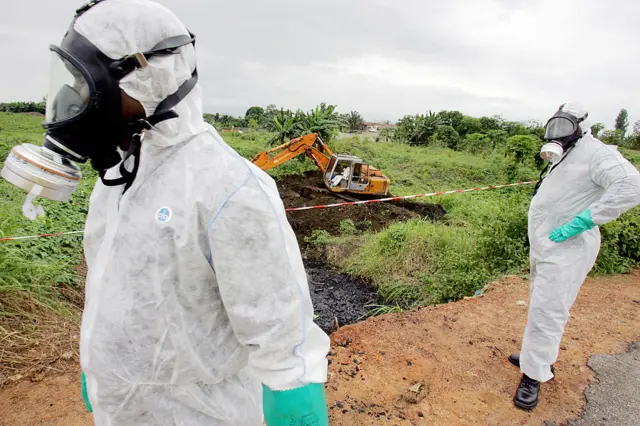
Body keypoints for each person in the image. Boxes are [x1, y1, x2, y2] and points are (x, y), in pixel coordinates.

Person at [43, 1, 331, 424]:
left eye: (87, 83)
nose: (76, 99)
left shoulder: (228, 187)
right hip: (124, 406)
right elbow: (111, 288)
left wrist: (293, 392)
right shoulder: (120, 179)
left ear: (147, 78)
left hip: (205, 413)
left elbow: (278, 322)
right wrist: (100, 367)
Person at [510, 102, 640, 410]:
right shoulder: (567, 153)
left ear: (581, 126)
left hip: (568, 247)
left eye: (564, 127)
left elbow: (632, 186)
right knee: (540, 302)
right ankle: (533, 356)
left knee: (549, 310)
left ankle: (534, 376)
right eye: (554, 127)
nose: (557, 133)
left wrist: (583, 221)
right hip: (548, 245)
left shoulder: (598, 153)